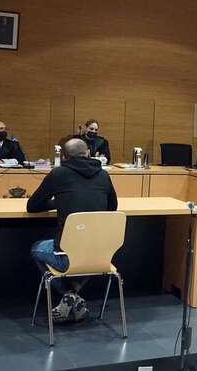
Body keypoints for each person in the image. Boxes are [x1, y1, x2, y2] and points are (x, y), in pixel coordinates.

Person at [27, 138, 119, 323]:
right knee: (86, 253)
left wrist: (57, 201)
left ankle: (68, 294)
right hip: (100, 254)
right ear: (88, 153)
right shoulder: (103, 175)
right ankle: (74, 294)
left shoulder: (58, 174)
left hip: (67, 255)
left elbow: (32, 206)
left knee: (36, 248)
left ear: (65, 157)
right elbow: (112, 207)